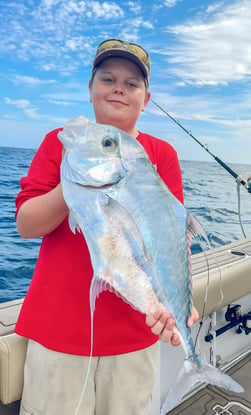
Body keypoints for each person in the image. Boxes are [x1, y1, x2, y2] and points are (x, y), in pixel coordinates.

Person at [15, 38, 199, 415]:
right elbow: (25, 225)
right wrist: (79, 183)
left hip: (135, 335)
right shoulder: (62, 144)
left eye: (132, 84)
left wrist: (183, 303)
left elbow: (172, 240)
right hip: (57, 333)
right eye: (108, 78)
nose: (119, 88)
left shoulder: (161, 155)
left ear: (146, 98)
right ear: (90, 89)